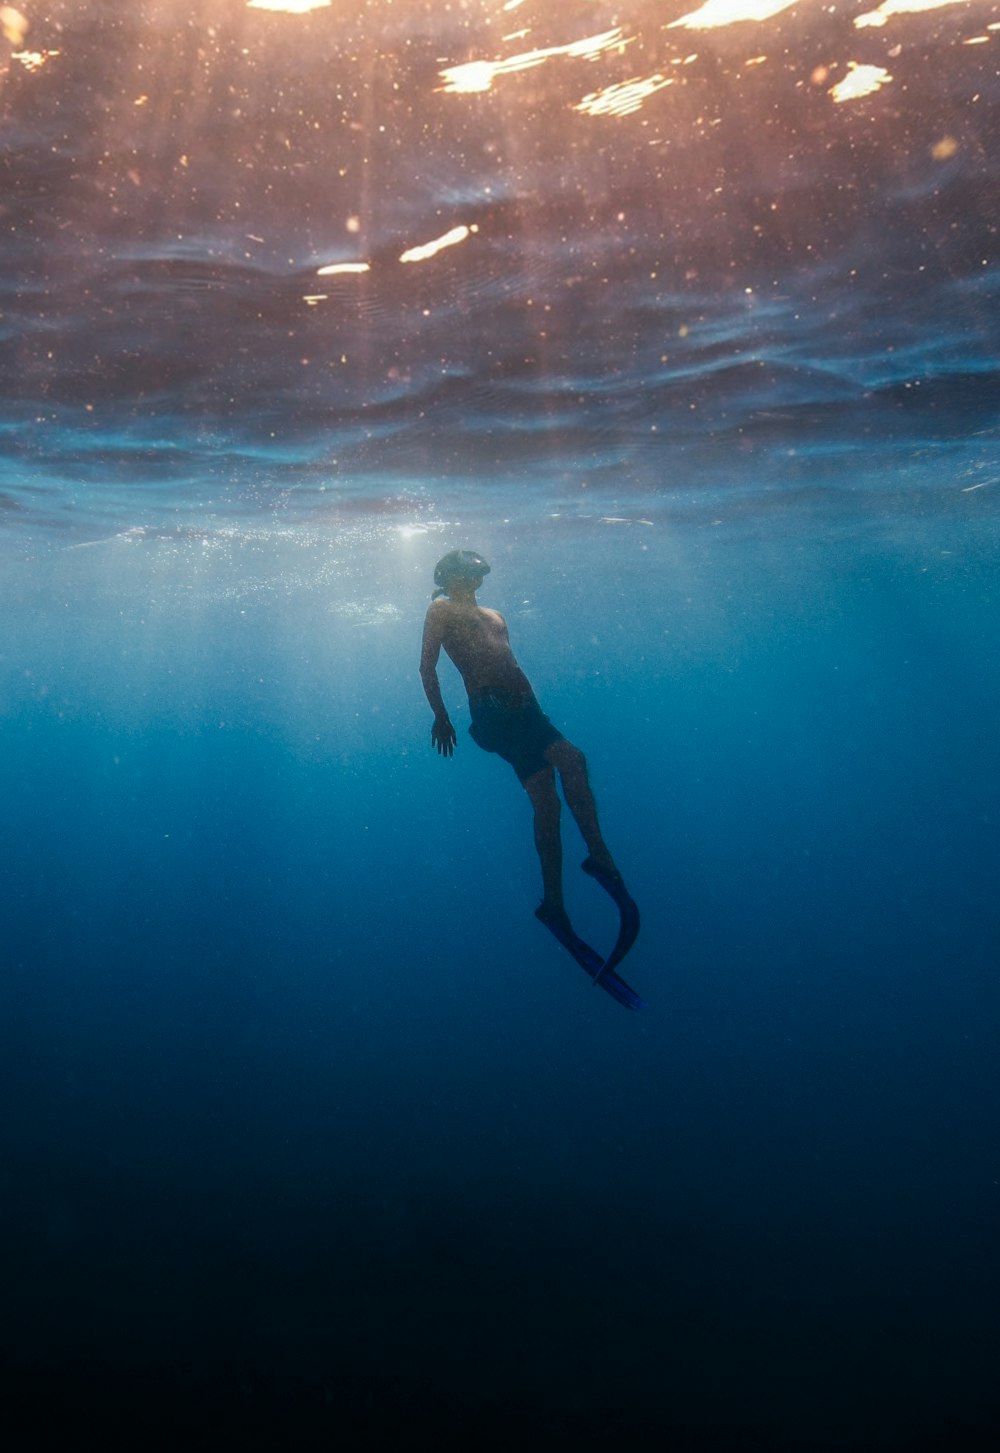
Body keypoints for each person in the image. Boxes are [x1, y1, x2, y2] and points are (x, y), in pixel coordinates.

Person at [419, 549, 642, 1005]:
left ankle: (555, 904)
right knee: (571, 762)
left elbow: (511, 662)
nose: (474, 582)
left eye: (478, 575)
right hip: (494, 712)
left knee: (548, 800)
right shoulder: (440, 608)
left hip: (527, 712)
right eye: (468, 575)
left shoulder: (494, 613)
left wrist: (536, 708)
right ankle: (598, 858)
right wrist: (440, 716)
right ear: (450, 576)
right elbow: (428, 666)